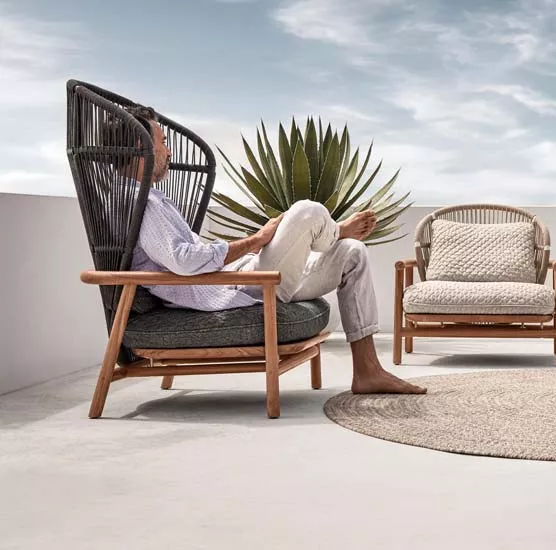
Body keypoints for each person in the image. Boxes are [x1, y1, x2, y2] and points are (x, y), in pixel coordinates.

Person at [103, 105, 425, 395]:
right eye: (161, 142)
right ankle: (333, 230)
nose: (169, 151)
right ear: (139, 147)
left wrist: (252, 249)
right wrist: (257, 239)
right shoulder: (138, 199)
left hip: (239, 276)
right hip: (237, 288)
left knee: (352, 252)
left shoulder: (140, 197)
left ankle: (368, 371)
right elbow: (184, 261)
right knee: (307, 211)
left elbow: (182, 256)